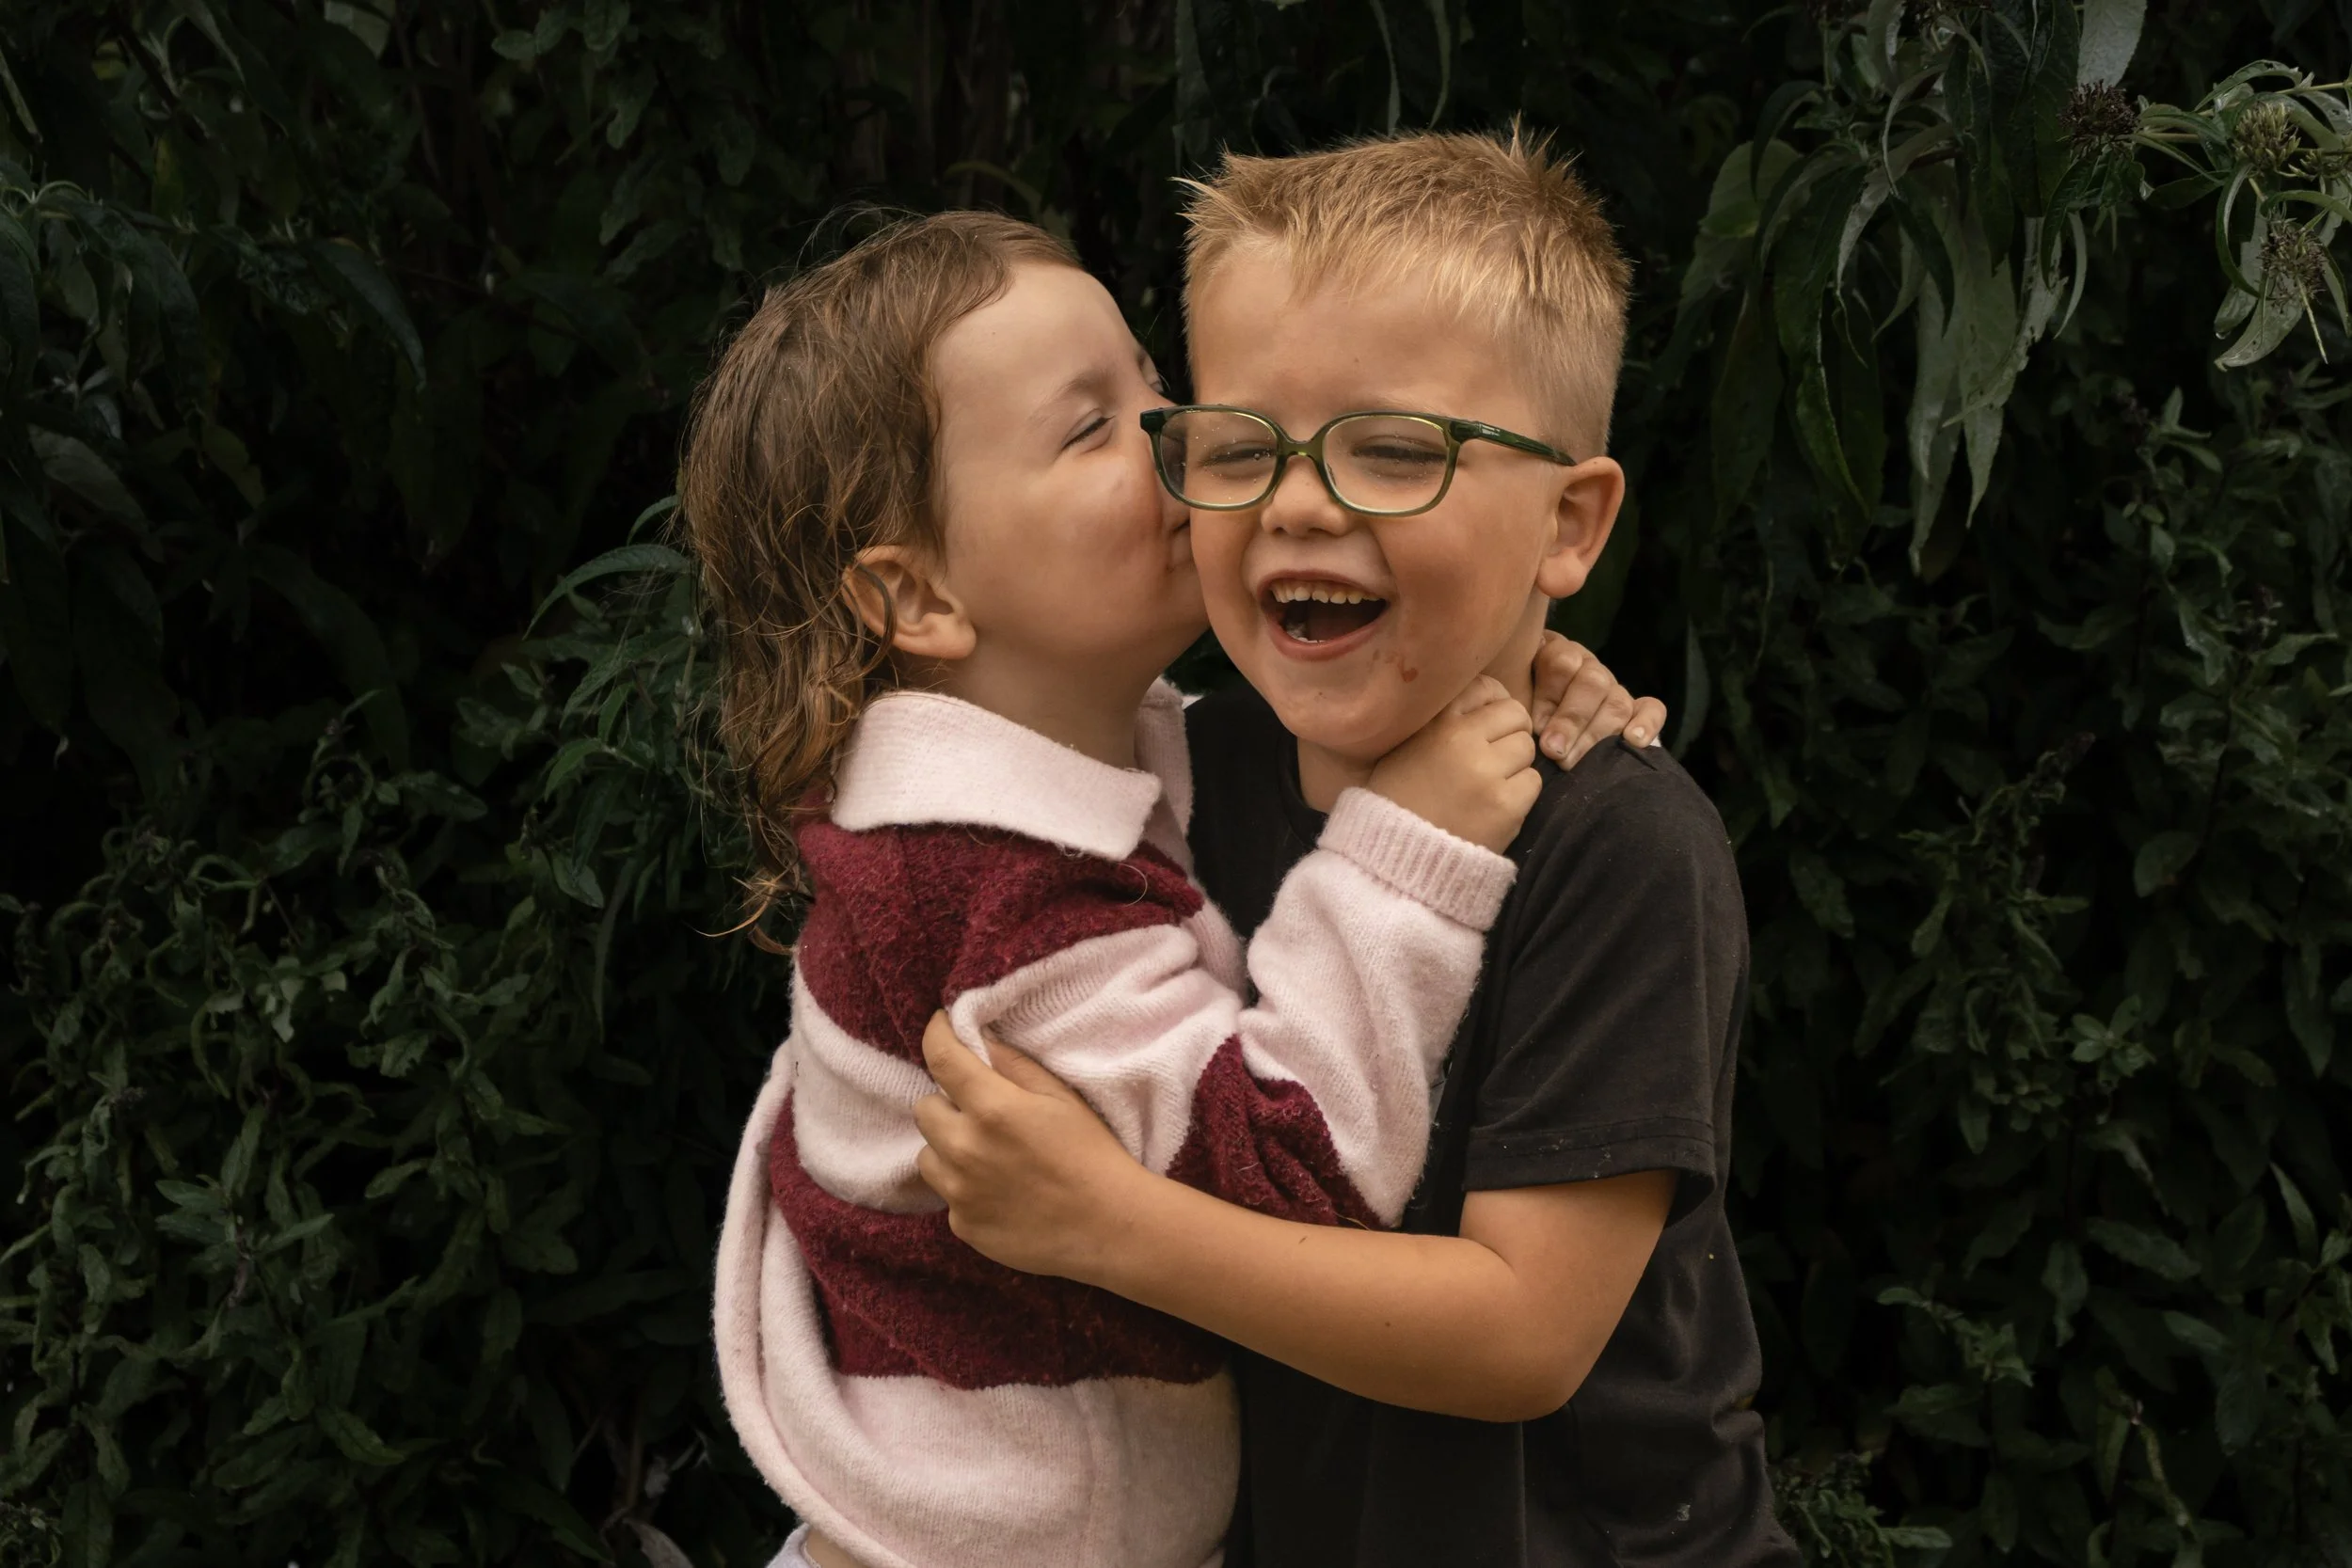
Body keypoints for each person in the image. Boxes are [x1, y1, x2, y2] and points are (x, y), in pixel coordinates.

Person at [680, 211, 1663, 1568]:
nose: (1175, 436)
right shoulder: (987, 893)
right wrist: (1409, 850)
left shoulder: (1045, 776)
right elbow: (1283, 1173)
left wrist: (1505, 658)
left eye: (1160, 387)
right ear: (917, 598)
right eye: (1092, 427)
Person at [914, 130, 1798, 1568]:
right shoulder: (1181, 775)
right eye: (1243, 444)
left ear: (1568, 523)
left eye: (1396, 448)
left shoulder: (1619, 845)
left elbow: (1522, 1333)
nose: (1301, 502)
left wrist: (1106, 1221)